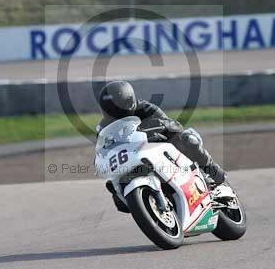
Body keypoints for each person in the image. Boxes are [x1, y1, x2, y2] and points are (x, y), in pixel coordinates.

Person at [96, 81, 227, 213]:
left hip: (156, 144)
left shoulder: (145, 108)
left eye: (115, 108)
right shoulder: (104, 126)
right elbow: (102, 149)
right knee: (116, 193)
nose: (113, 112)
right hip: (132, 158)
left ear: (129, 102)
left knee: (187, 139)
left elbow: (172, 124)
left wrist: (160, 127)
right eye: (108, 109)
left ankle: (214, 172)